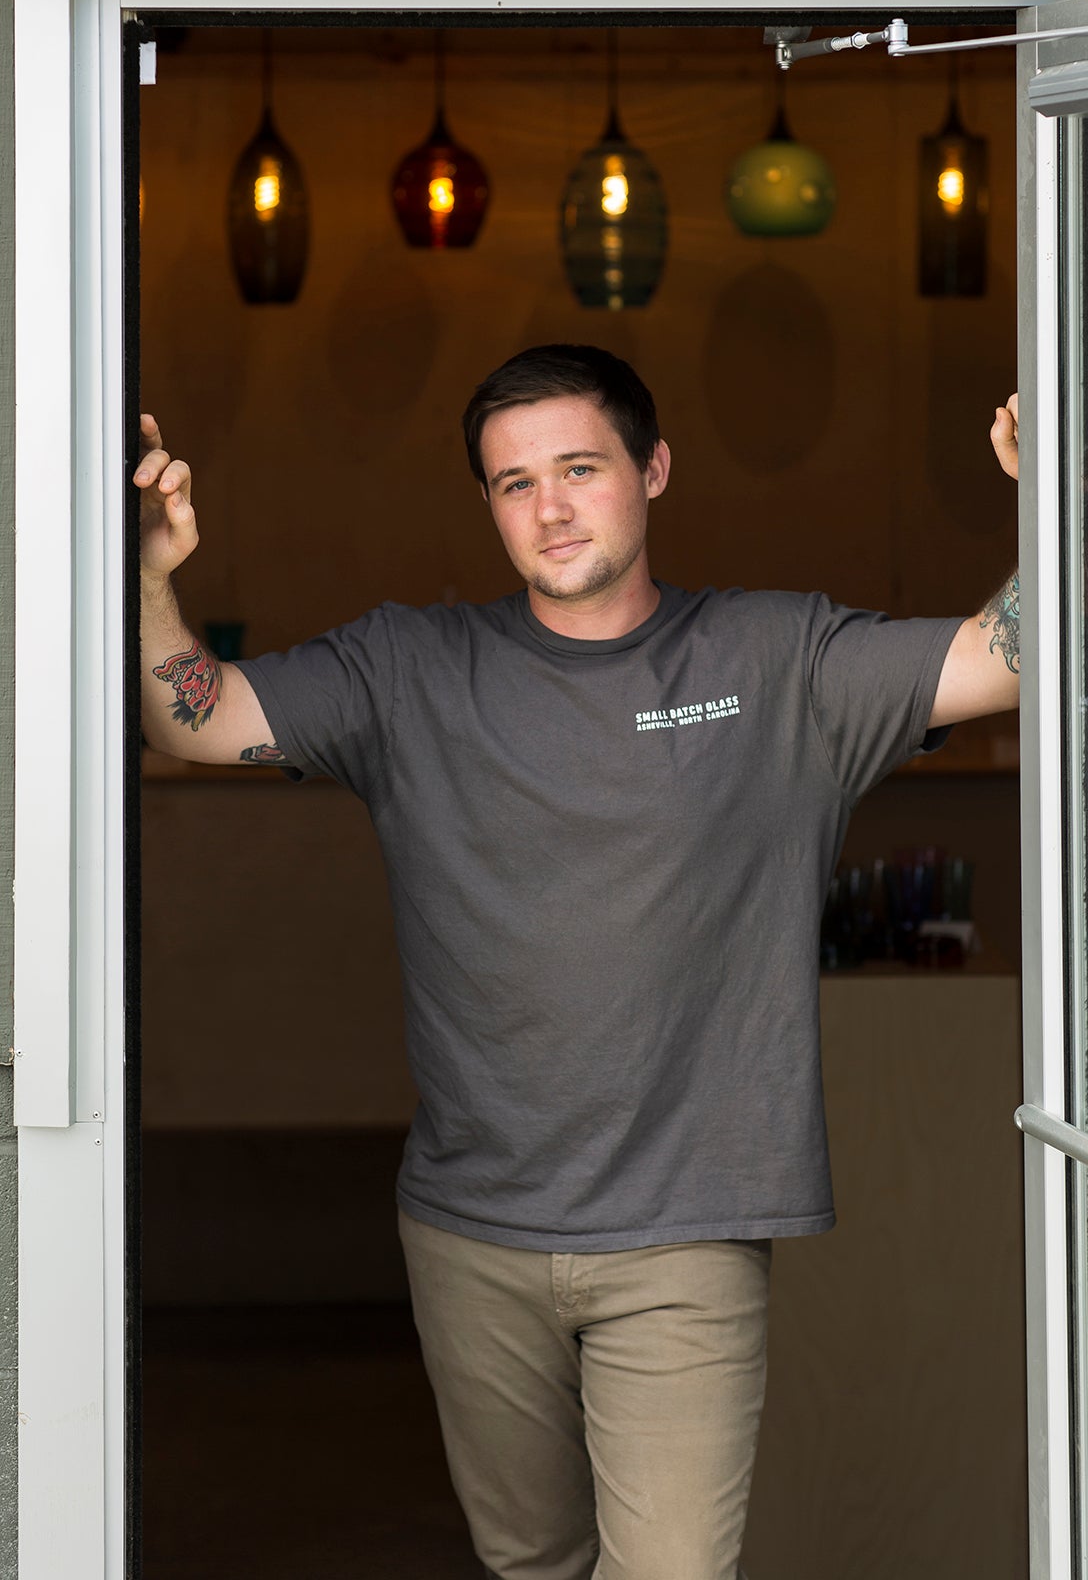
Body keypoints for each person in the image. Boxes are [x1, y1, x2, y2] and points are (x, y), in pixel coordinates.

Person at [137, 345, 1020, 1580]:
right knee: (535, 1567)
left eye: (579, 469)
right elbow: (196, 716)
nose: (548, 508)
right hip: (469, 1234)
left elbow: (1008, 657)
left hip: (685, 1238)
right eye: (512, 484)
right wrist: (153, 577)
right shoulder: (410, 672)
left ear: (652, 470)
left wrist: (1068, 501)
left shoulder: (776, 664)